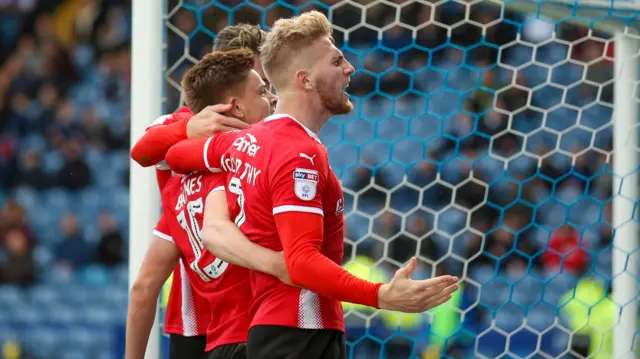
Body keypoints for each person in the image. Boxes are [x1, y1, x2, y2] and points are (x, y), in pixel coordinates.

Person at [165, 11, 459, 359]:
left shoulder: (243, 142)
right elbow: (301, 261)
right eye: (336, 61)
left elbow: (175, 155)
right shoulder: (298, 153)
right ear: (304, 80)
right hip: (299, 330)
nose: (349, 68)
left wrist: (189, 128)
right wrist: (381, 295)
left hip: (273, 329)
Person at [125, 46, 278, 359]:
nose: (272, 96)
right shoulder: (184, 126)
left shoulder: (180, 187)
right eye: (262, 86)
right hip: (230, 318)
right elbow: (142, 151)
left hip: (224, 323)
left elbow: (144, 287)